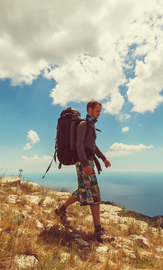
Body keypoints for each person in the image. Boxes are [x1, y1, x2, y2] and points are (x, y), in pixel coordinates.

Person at [55, 100, 112, 238]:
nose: (99, 114)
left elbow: (92, 146)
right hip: (84, 163)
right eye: (97, 111)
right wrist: (86, 164)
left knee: (83, 189)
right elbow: (79, 145)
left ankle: (61, 209)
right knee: (94, 193)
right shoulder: (83, 124)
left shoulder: (90, 125)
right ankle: (98, 229)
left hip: (88, 162)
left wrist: (103, 158)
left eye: (100, 111)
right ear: (90, 109)